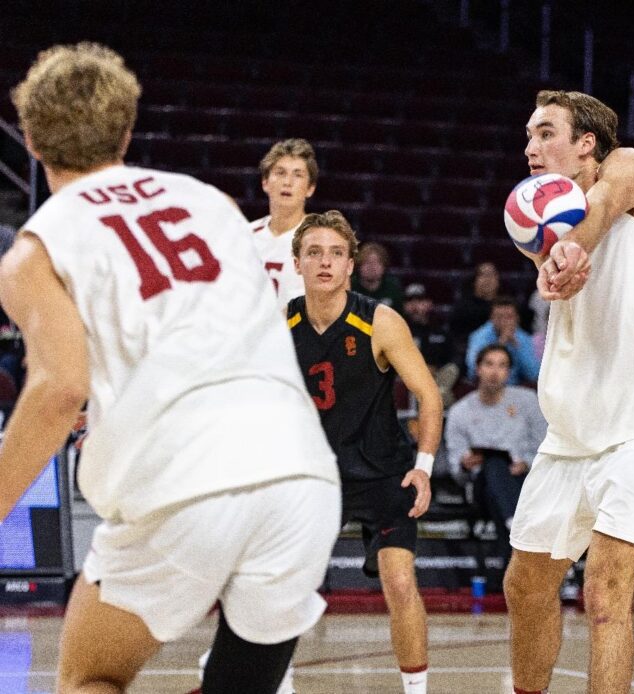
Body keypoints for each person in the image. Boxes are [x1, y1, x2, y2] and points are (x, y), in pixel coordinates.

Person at [3, 43, 341, 694]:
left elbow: (58, 388)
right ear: (127, 129)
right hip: (300, 475)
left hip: (183, 479)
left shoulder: (34, 249)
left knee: (91, 677)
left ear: (30, 138)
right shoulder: (212, 203)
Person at [503, 89, 634, 694]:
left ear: (586, 143)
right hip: (571, 435)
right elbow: (556, 245)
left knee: (606, 588)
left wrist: (574, 247)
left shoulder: (629, 168)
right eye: (528, 136)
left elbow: (607, 202)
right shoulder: (534, 218)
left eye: (546, 133)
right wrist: (553, 252)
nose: (531, 147)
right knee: (524, 585)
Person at [288, 210, 442, 694]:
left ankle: (416, 692)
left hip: (384, 474)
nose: (325, 262)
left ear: (352, 264)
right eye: (314, 252)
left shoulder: (379, 320)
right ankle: (279, 683)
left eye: (336, 253)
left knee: (399, 582)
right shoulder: (281, 321)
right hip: (317, 477)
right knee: (285, 586)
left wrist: (424, 467)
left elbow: (429, 395)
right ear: (298, 263)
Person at [446, 344, 547, 578]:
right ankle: (516, 524)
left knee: (500, 484)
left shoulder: (528, 401)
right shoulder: (461, 412)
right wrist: (465, 464)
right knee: (493, 465)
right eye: (489, 364)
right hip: (479, 487)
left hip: (525, 481)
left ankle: (511, 560)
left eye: (502, 366)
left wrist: (526, 463)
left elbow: (545, 447)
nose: (495, 371)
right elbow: (455, 468)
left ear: (510, 372)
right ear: (477, 369)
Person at [249, 138, 318, 312]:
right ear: (265, 182)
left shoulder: (321, 238)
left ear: (310, 188)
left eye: (298, 175)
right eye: (280, 173)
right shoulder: (245, 235)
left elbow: (339, 306)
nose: (288, 182)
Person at [404, 282, 461, 407]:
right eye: (410, 301)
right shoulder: (397, 329)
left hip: (438, 378)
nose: (415, 306)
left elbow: (455, 358)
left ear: (429, 304)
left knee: (451, 372)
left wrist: (436, 369)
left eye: (420, 300)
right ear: (405, 306)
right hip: (406, 380)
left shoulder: (440, 330)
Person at [465, 297, 541, 385]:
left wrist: (518, 348)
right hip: (486, 387)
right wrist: (501, 343)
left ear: (517, 319)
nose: (504, 321)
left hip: (514, 388)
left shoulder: (523, 337)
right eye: (499, 316)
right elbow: (473, 370)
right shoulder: (479, 336)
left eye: (509, 317)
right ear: (491, 318)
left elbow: (534, 374)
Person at [450, 261, 501, 339]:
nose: (488, 279)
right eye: (483, 275)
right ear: (474, 281)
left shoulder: (505, 307)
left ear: (498, 280)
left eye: (491, 274)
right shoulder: (463, 308)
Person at [352, 241, 405, 313]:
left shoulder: (392, 288)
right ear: (359, 266)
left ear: (384, 266)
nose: (372, 267)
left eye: (377, 263)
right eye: (367, 262)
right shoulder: (349, 287)